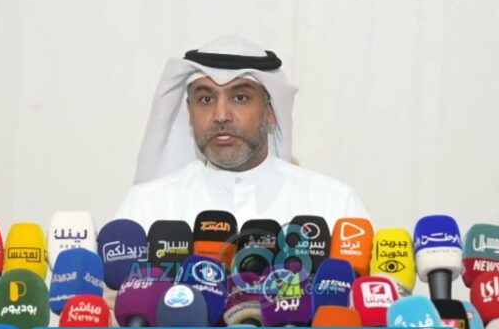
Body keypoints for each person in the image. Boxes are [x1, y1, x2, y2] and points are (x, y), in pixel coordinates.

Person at [115, 35, 368, 230]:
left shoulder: (333, 206)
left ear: (270, 110)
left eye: (240, 97)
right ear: (190, 113)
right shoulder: (147, 207)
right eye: (206, 99)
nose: (221, 115)